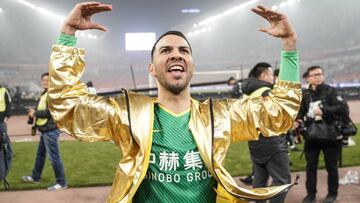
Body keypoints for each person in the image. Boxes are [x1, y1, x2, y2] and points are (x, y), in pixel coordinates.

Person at [48, 2, 301, 203]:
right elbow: (68, 106)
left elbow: (279, 112)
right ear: (152, 68)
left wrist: (289, 46)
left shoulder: (220, 115)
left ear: (192, 66)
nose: (176, 54)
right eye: (166, 50)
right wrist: (67, 35)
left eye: (184, 51)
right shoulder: (127, 116)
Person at [241, 63, 291, 203]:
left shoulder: (246, 93)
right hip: (272, 143)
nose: (273, 77)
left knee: (259, 181)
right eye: (270, 74)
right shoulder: (266, 92)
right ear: (263, 75)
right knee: (282, 181)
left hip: (254, 142)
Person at [296, 66, 346, 203]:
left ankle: (332, 194)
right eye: (315, 75)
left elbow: (342, 108)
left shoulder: (331, 91)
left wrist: (324, 111)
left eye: (320, 74)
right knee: (310, 166)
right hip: (311, 136)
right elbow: (301, 111)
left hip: (330, 135)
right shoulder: (305, 94)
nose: (318, 77)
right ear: (308, 78)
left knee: (332, 167)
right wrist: (298, 120)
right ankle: (310, 195)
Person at [22, 72, 67, 191]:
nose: (45, 81)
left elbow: (49, 112)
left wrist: (35, 113)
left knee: (54, 157)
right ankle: (35, 177)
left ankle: (61, 182)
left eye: (48, 80)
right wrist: (35, 110)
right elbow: (44, 109)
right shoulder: (45, 94)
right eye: (43, 80)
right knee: (40, 155)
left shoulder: (52, 94)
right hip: (45, 129)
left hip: (51, 130)